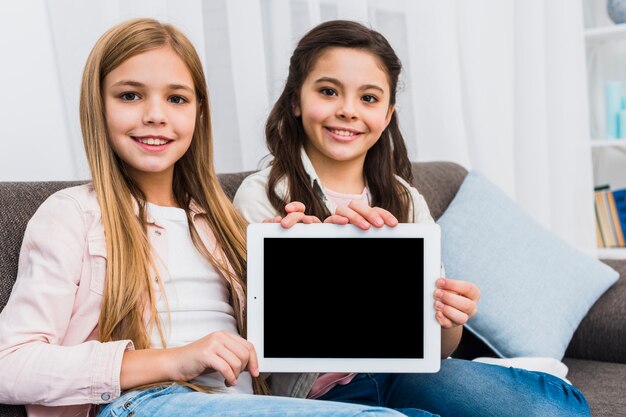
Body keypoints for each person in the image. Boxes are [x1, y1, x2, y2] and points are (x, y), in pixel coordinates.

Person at [0, 18, 413, 417]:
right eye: (130, 95)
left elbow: (277, 367)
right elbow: (8, 364)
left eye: (176, 98)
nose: (155, 115)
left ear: (199, 112)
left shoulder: (224, 225)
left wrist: (309, 277)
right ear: (97, 105)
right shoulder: (72, 214)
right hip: (139, 402)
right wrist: (175, 360)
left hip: (242, 404)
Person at [233, 19, 591, 417]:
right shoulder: (263, 197)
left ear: (387, 115)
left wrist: (449, 316)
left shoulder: (406, 199)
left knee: (559, 409)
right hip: (317, 397)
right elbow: (246, 340)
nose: (348, 110)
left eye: (368, 98)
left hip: (405, 374)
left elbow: (438, 348)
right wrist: (301, 267)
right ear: (296, 101)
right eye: (329, 91)